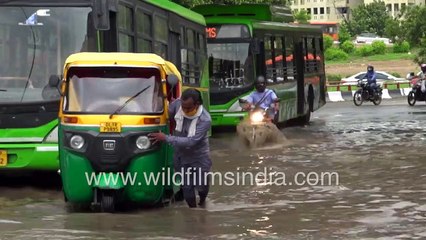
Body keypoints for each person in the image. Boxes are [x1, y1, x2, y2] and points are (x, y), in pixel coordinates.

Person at [149, 88, 212, 208]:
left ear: (197, 104)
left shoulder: (205, 119)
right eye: (183, 106)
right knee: (187, 188)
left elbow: (191, 141)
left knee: (202, 186)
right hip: (180, 156)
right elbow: (166, 115)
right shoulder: (178, 105)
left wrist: (166, 138)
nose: (184, 110)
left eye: (188, 108)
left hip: (199, 157)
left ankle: (203, 201)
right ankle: (194, 214)